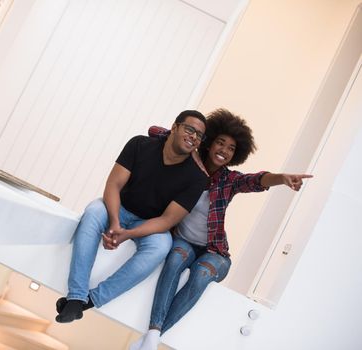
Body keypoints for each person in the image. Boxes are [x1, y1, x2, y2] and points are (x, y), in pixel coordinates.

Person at [129, 108, 313, 350]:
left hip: (214, 252)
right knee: (175, 258)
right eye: (220, 143)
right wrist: (192, 145)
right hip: (184, 242)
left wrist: (281, 178)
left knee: (201, 274)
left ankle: (151, 339)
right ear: (208, 142)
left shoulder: (229, 180)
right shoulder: (187, 166)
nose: (224, 151)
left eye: (231, 148)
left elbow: (256, 180)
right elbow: (155, 131)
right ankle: (153, 332)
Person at [55, 110, 209, 324]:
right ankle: (76, 295)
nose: (194, 137)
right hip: (118, 208)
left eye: (199, 135)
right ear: (174, 127)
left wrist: (128, 234)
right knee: (93, 212)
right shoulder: (139, 145)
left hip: (150, 225)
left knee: (161, 247)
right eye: (189, 129)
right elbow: (113, 185)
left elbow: (167, 220)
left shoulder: (197, 178)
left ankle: (89, 300)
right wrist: (115, 223)